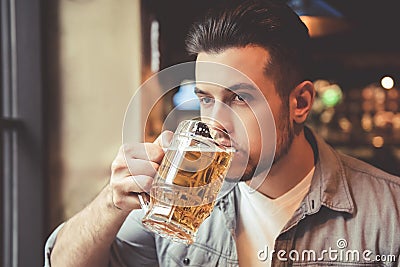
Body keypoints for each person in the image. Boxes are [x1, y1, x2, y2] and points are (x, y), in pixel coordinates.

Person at [44, 0, 400, 266]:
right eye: (205, 98)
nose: (215, 123)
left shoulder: (388, 213)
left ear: (300, 103)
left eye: (239, 99)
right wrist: (110, 202)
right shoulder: (184, 193)